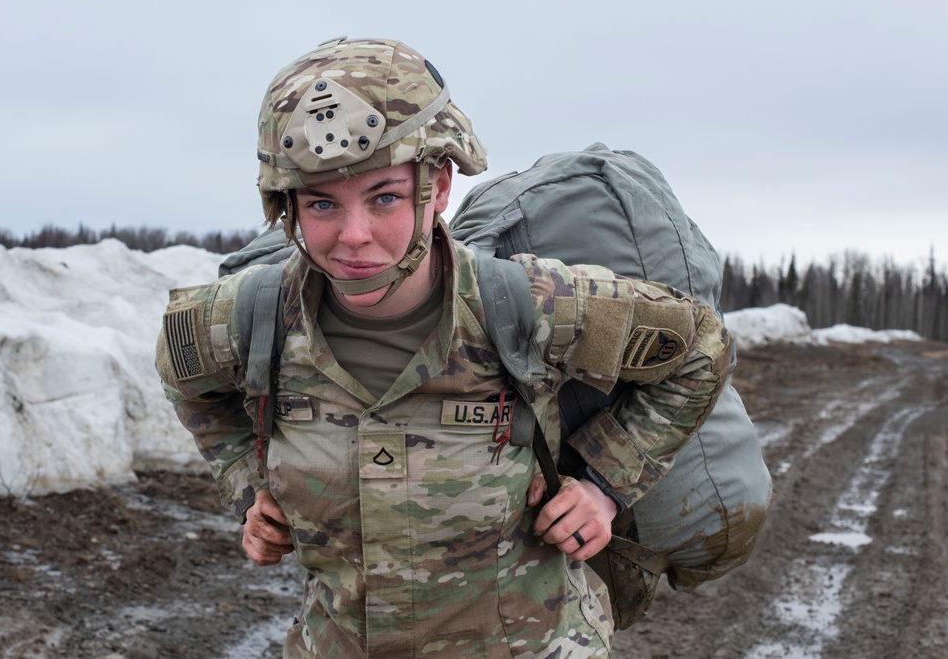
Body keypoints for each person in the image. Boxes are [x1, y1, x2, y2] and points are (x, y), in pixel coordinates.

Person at [156, 36, 733, 658]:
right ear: (288, 206)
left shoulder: (532, 306)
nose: (353, 238)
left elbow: (700, 347)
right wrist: (252, 486)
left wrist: (603, 484)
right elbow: (185, 379)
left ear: (438, 188)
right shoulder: (246, 319)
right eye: (322, 203)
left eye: (385, 198)